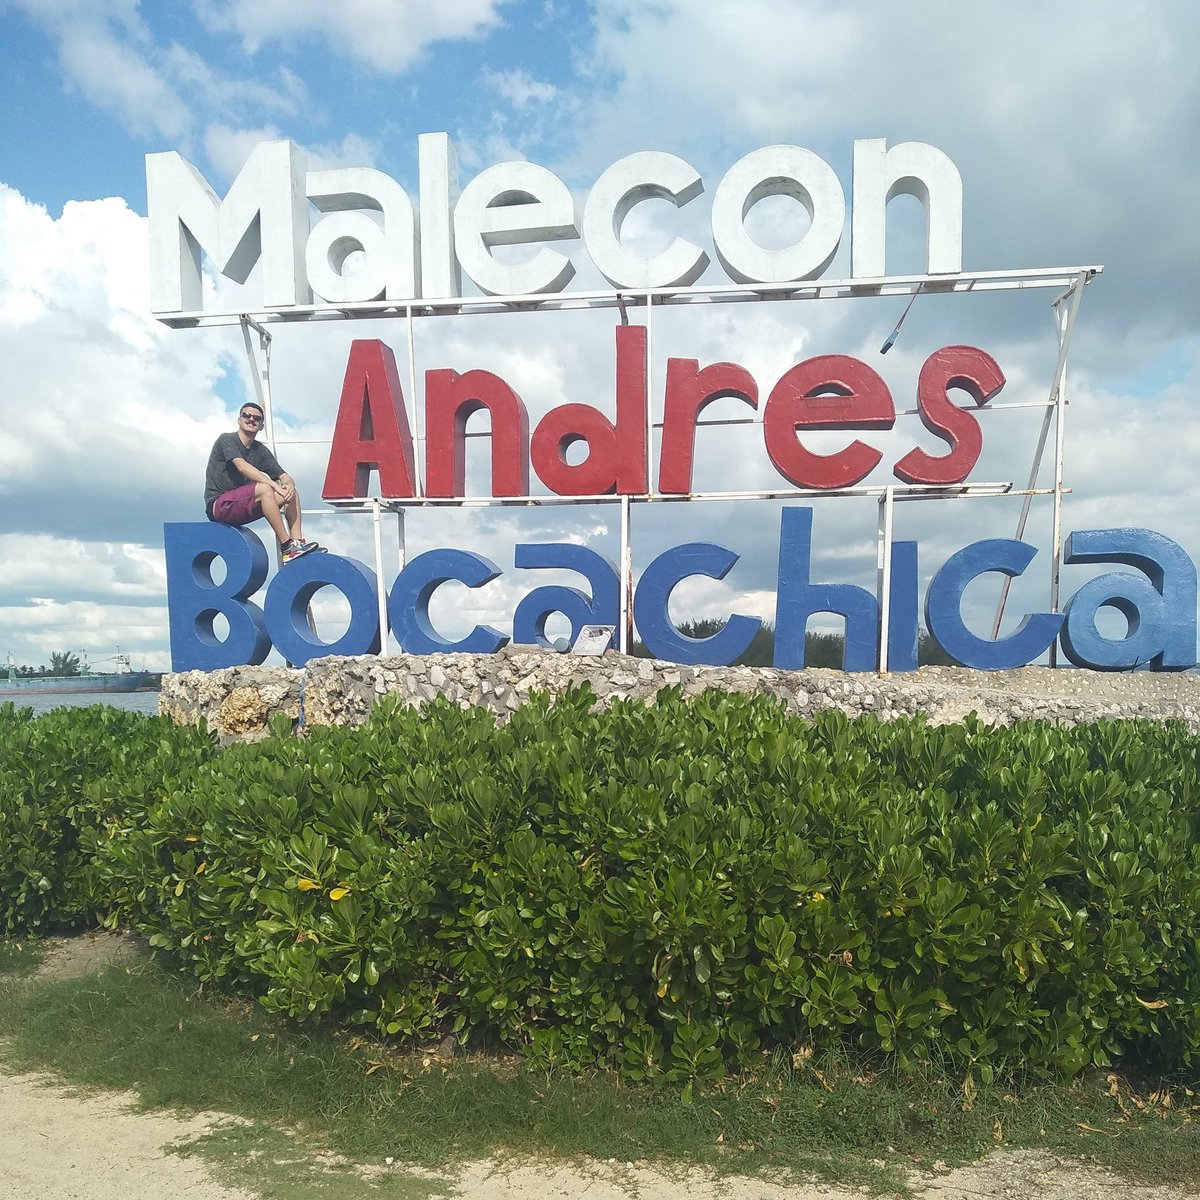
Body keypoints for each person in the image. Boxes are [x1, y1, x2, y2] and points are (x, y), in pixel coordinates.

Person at [204, 402, 321, 563]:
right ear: (239, 420)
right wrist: (274, 485)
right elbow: (242, 467)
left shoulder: (260, 450)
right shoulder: (226, 440)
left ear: (261, 426)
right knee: (265, 489)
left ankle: (297, 544)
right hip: (219, 506)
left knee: (290, 492)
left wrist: (289, 485)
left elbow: (285, 476)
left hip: (242, 506)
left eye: (256, 418)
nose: (251, 419)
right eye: (246, 415)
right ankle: (286, 547)